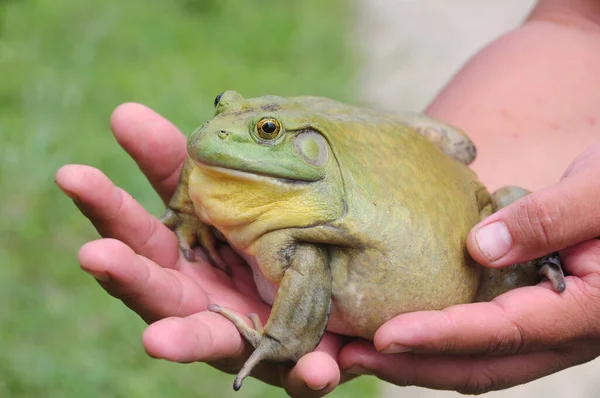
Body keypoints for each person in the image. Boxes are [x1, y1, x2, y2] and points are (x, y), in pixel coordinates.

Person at [55, 0, 600, 396]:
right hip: (387, 164)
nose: (220, 133)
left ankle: (536, 251)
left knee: (505, 215)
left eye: (266, 131)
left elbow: (308, 268)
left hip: (465, 247)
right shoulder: (260, 194)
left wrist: (281, 338)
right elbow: (577, 18)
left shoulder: (306, 230)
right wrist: (190, 210)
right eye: (227, 111)